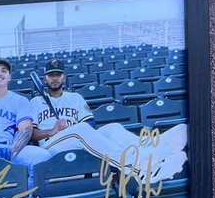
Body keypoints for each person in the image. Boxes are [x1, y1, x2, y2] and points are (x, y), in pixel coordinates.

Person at [29, 59, 188, 185]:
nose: (55, 78)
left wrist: (71, 129)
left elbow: (90, 124)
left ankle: (150, 147)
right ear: (45, 78)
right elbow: (32, 134)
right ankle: (136, 167)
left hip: (76, 138)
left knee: (113, 128)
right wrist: (53, 130)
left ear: (64, 77)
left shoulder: (75, 98)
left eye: (58, 74)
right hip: (51, 146)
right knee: (80, 131)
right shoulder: (35, 102)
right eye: (51, 75)